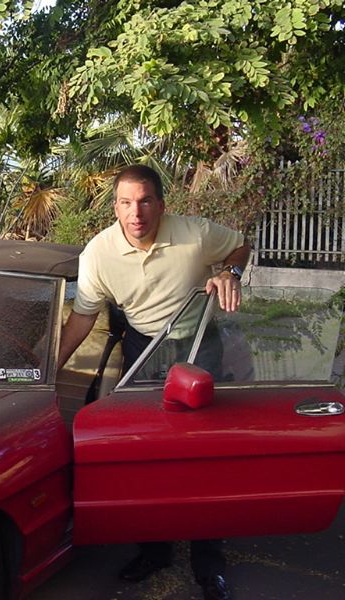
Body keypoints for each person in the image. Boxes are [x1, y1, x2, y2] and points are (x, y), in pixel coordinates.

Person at [57, 164, 250, 600]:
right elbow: (83, 317)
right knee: (144, 452)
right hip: (142, 348)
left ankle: (209, 566)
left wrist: (230, 273)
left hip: (200, 346)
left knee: (205, 455)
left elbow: (241, 245)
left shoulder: (195, 234)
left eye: (145, 201)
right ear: (115, 207)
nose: (136, 212)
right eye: (126, 202)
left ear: (161, 205)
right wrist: (48, 371)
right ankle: (154, 551)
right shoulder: (98, 254)